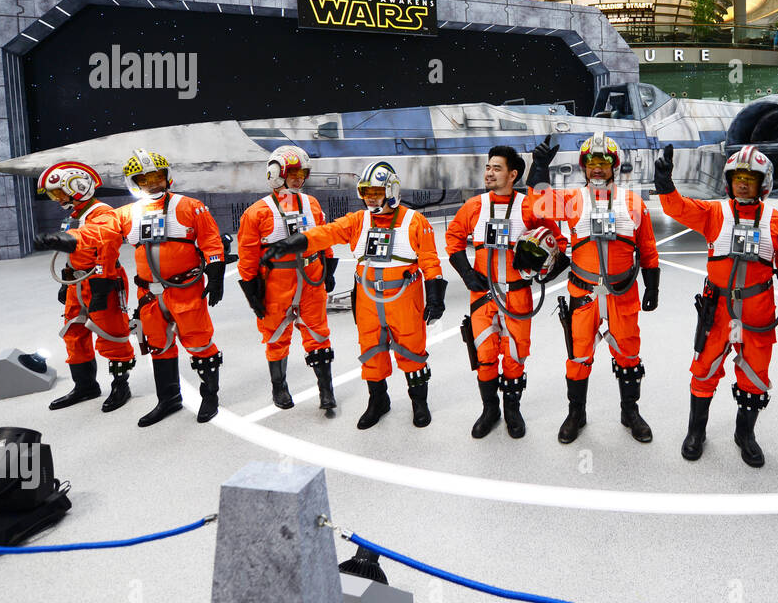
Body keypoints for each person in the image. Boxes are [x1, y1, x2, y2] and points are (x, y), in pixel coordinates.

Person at [264, 161, 445, 429]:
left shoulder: (413, 221)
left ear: (391, 190)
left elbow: (430, 259)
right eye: (366, 192)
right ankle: (378, 401)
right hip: (368, 300)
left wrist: (435, 295)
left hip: (405, 299)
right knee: (371, 351)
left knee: (412, 352)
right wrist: (294, 242)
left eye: (376, 192)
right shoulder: (358, 221)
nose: (371, 198)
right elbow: (327, 233)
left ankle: (419, 403)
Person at [654, 144, 778, 466]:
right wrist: (665, 184)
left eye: (751, 177)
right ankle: (696, 432)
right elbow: (678, 208)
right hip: (716, 309)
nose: (743, 183)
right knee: (704, 369)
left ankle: (745, 434)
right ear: (729, 180)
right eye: (738, 176)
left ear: (765, 183)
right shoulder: (715, 214)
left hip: (758, 310)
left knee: (755, 375)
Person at [527, 132, 661, 444]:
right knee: (578, 356)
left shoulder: (633, 202)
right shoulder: (574, 200)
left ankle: (630, 411)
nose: (597, 168)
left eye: (603, 162)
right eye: (591, 162)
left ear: (614, 166)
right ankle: (577, 413)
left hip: (622, 294)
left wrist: (652, 288)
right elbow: (539, 205)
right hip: (582, 294)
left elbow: (648, 249)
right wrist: (538, 169)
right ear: (583, 167)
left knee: (628, 355)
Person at [445, 145, 565, 439]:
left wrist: (544, 265)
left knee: (514, 355)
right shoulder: (475, 206)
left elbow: (558, 243)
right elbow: (453, 238)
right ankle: (490, 410)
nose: (489, 172)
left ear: (513, 174)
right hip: (483, 296)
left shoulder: (528, 207)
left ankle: (512, 410)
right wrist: (467, 273)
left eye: (496, 168)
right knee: (485, 354)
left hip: (516, 294)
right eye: (488, 167)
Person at [107, 149, 226, 426]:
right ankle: (169, 399)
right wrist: (68, 241)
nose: (152, 183)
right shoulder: (125, 215)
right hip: (149, 293)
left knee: (199, 341)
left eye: (158, 176)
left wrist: (217, 272)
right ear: (133, 183)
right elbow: (98, 235)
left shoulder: (190, 206)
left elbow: (211, 241)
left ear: (167, 177)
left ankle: (210, 396)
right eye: (144, 179)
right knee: (159, 345)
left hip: (186, 288)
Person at [236, 145, 338, 417]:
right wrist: (251, 291)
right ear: (276, 173)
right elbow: (247, 254)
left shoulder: (311, 204)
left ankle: (326, 391)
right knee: (276, 335)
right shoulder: (257, 211)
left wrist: (329, 269)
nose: (298, 178)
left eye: (302, 173)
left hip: (311, 276)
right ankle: (279, 387)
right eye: (291, 172)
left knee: (317, 334)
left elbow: (323, 236)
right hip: (276, 282)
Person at [32, 161, 137, 413]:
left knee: (112, 334)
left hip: (103, 279)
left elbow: (103, 241)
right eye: (53, 194)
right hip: (78, 281)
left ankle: (120, 385)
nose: (57, 198)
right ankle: (85, 386)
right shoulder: (77, 215)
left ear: (77, 188)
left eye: (60, 192)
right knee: (74, 332)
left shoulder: (103, 214)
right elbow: (76, 251)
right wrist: (67, 277)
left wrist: (102, 283)